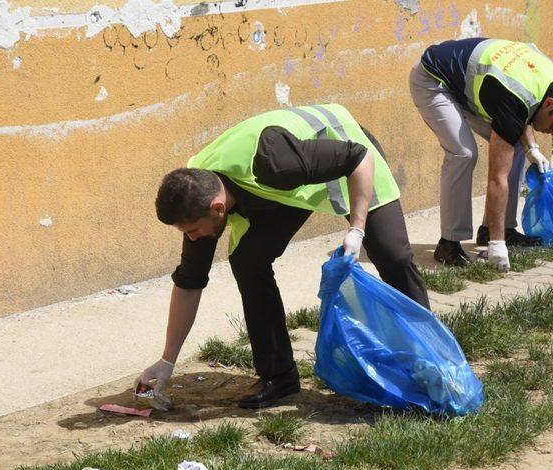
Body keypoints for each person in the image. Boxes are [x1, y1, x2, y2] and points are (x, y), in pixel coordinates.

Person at [138, 104, 430, 409]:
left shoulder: (273, 163)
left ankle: (430, 359)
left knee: (392, 254)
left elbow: (358, 157)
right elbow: (189, 281)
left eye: (194, 230)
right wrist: (167, 360)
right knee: (248, 260)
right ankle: (278, 377)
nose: (192, 238)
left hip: (351, 159)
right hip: (287, 186)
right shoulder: (196, 196)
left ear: (218, 208)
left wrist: (357, 230)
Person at [410, 38, 553, 270]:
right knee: (463, 153)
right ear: (550, 104)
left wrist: (532, 148)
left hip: (474, 83)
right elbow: (498, 177)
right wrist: (497, 248)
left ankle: (497, 229)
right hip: (433, 79)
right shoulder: (515, 94)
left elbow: (527, 105)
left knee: (516, 145)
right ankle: (448, 243)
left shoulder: (545, 79)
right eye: (552, 126)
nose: (550, 132)